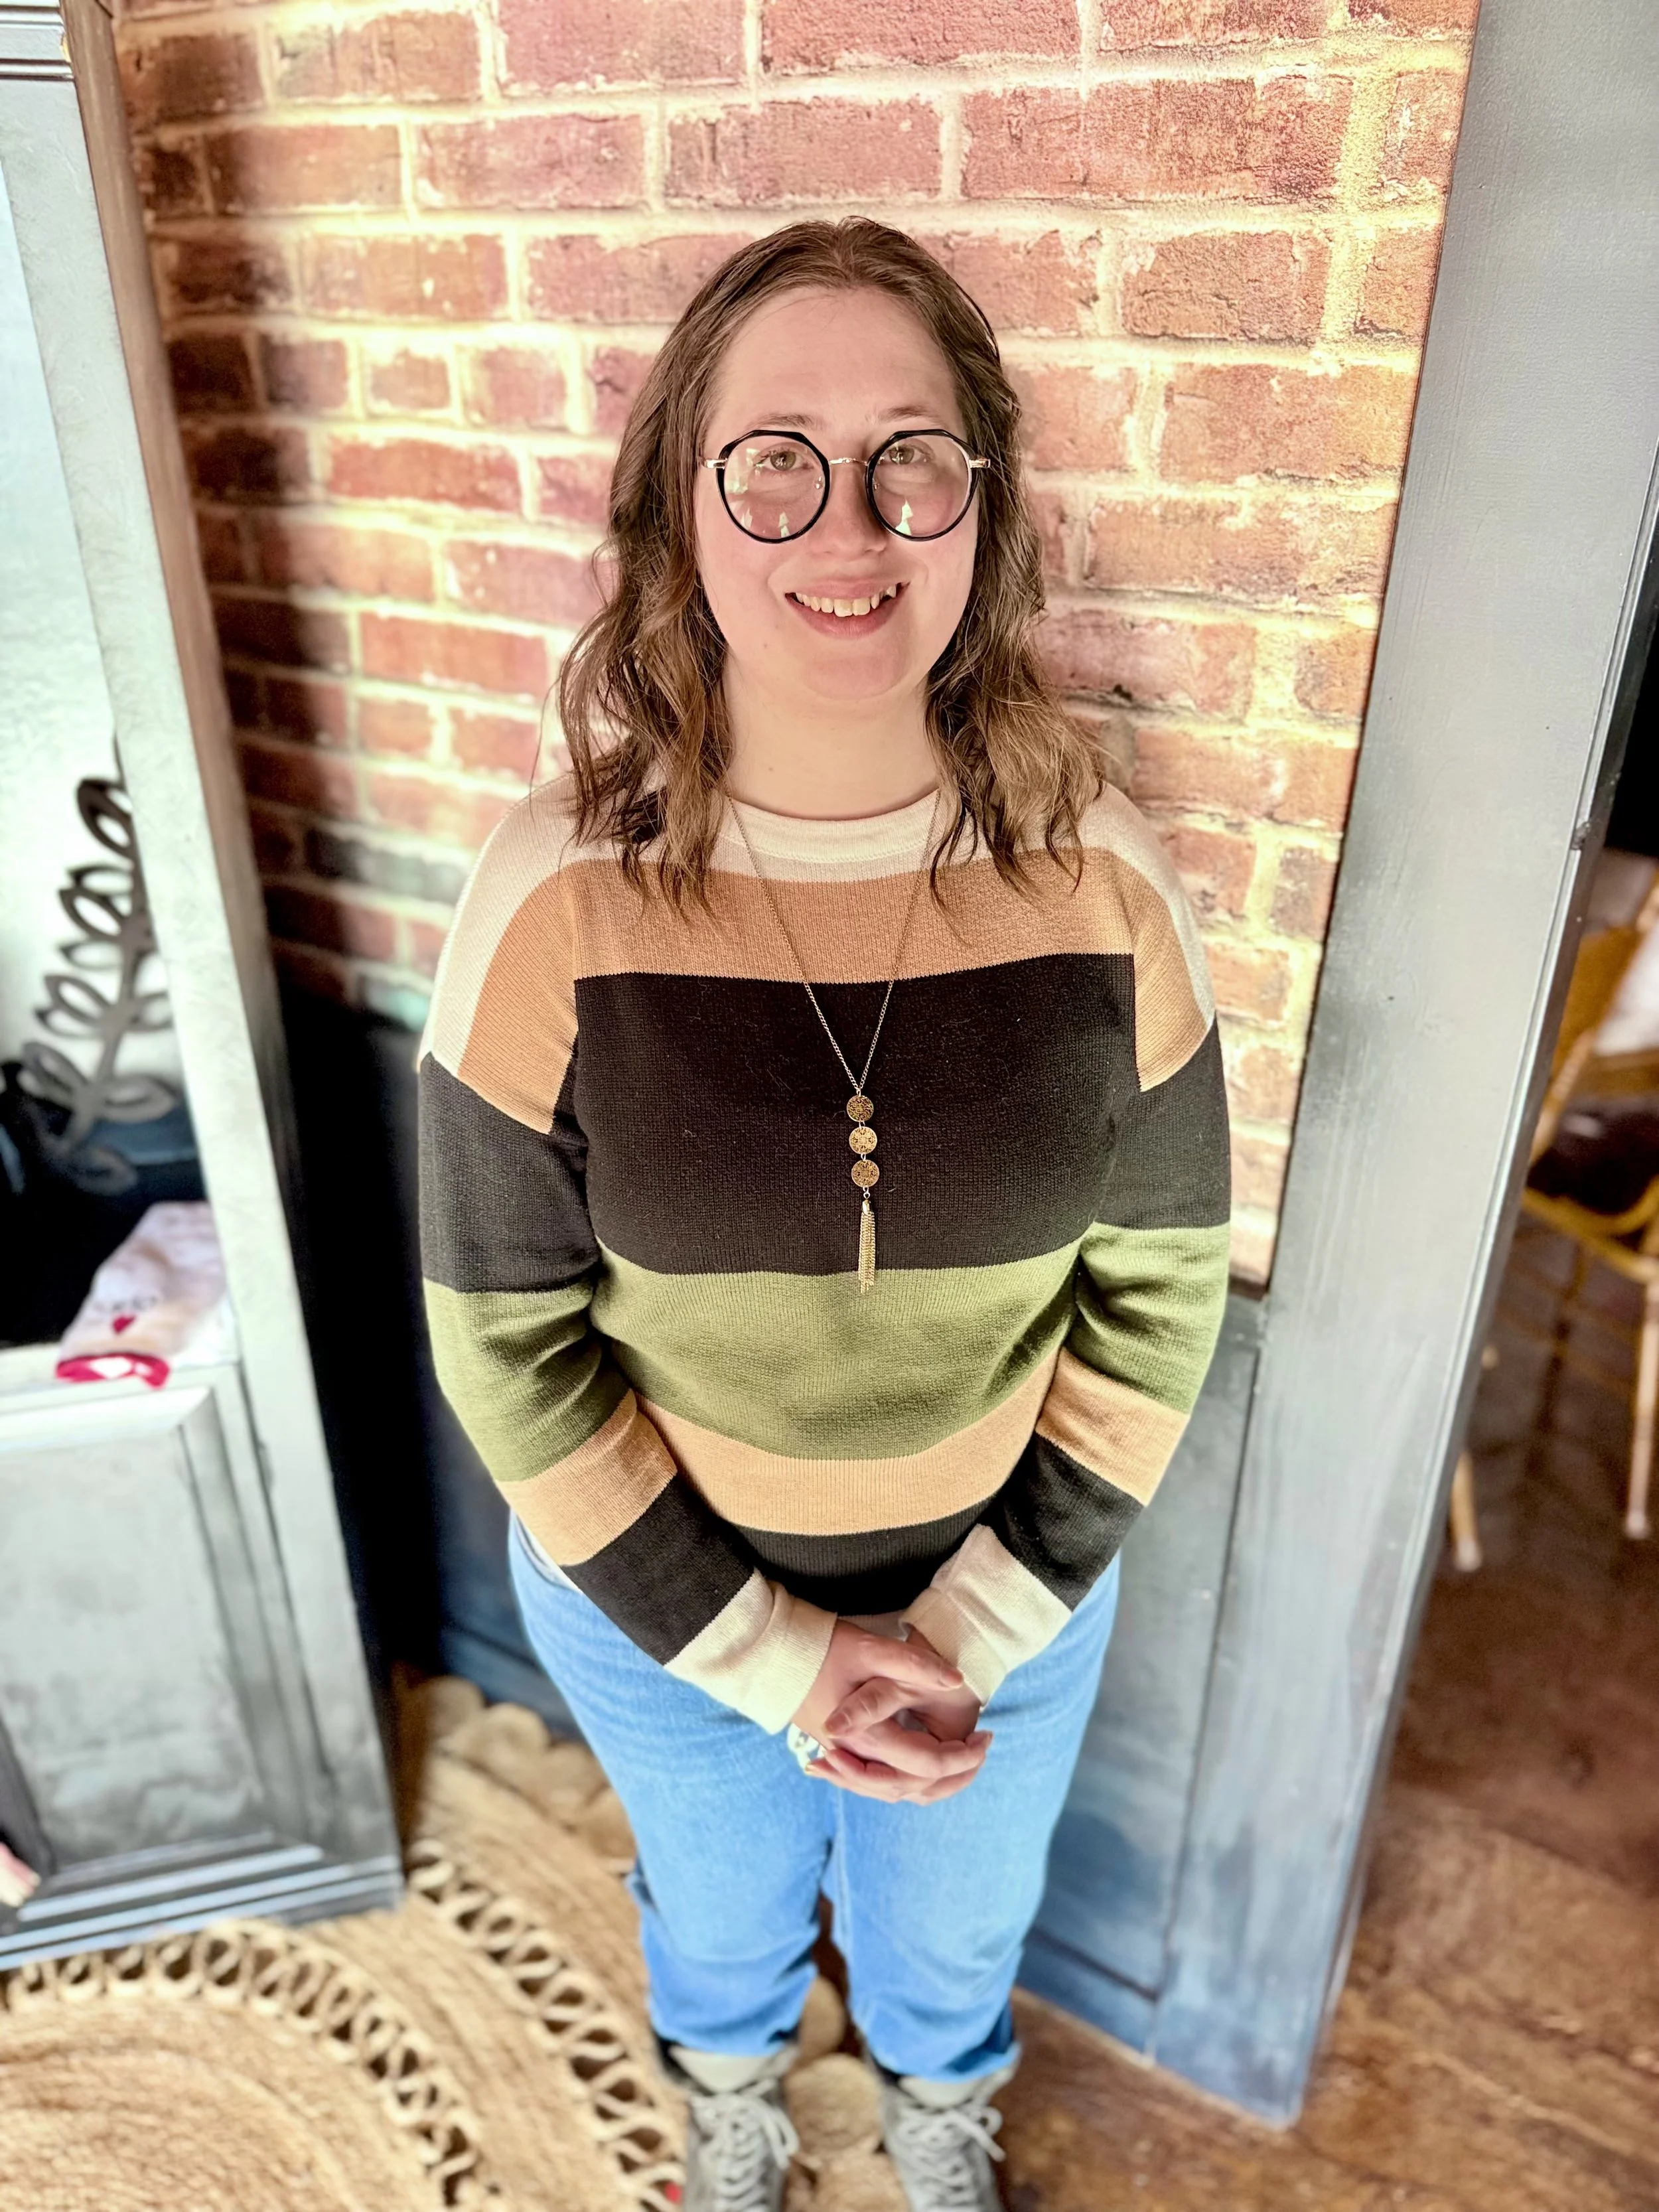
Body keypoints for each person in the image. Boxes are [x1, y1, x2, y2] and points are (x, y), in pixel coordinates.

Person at [417, 218, 1231, 2212]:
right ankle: (730, 2111)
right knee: (717, 1913)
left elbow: (1156, 1295)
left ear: (982, 507)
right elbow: (504, 1347)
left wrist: (966, 1621)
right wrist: (776, 1657)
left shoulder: (1100, 881)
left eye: (910, 458)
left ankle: (940, 2123)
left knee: (958, 1936)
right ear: (676, 506)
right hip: (658, 1616)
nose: (846, 523)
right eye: (771, 456)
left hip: (1010, 1609)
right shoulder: (554, 896)